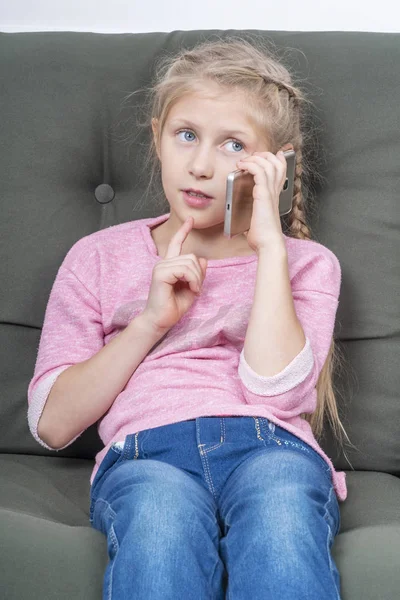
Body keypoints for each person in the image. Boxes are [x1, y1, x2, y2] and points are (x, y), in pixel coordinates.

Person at [27, 35, 353, 599]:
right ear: (157, 137)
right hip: (146, 453)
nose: (200, 166)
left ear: (274, 165)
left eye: (232, 145)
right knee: (158, 525)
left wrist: (270, 248)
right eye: (186, 136)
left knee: (281, 515)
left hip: (270, 447)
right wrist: (150, 322)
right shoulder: (98, 257)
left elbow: (276, 396)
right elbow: (53, 425)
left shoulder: (307, 265)